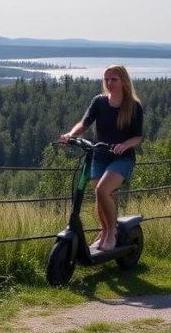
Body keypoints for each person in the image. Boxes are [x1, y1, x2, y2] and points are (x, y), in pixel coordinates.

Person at [60, 65, 144, 251]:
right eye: (106, 79)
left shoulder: (133, 106)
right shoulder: (99, 102)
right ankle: (105, 232)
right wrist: (71, 135)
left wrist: (125, 145)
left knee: (101, 191)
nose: (109, 83)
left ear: (123, 81)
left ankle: (111, 232)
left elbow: (138, 136)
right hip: (100, 155)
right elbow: (85, 123)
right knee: (104, 196)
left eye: (114, 79)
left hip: (122, 158)